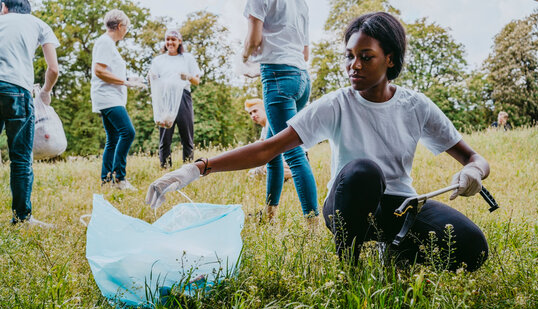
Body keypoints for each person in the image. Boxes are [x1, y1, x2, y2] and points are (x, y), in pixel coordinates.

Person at [146, 12, 490, 272]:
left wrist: (474, 170)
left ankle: (396, 251)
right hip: (348, 204)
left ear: (391, 59)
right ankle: (350, 262)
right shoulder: (336, 103)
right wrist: (197, 168)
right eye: (349, 56)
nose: (353, 65)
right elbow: (268, 148)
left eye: (365, 56)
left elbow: (476, 158)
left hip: (400, 207)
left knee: (474, 249)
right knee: (363, 172)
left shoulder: (416, 105)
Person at [241, 0, 318, 220]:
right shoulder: (301, 4)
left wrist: (244, 58)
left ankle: (312, 228)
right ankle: (269, 215)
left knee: (293, 153)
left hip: (277, 76)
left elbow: (254, 40)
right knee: (273, 151)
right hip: (301, 78)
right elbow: (304, 54)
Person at [0, 0, 59, 226]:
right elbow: (53, 69)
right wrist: (45, 92)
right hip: (18, 90)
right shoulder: (39, 24)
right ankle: (22, 218)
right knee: (21, 159)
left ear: (4, 6)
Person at [91, 9, 143, 190]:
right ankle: (120, 178)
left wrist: (129, 81)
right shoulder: (105, 42)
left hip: (109, 97)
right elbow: (99, 70)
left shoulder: (108, 44)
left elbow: (108, 70)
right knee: (128, 132)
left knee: (112, 139)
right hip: (108, 98)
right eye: (126, 27)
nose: (126, 30)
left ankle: (106, 181)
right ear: (120, 26)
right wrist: (125, 83)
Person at [149, 29, 201, 168]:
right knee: (165, 137)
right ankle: (165, 168)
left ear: (179, 41)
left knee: (187, 135)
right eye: (168, 39)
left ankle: (189, 168)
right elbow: (153, 80)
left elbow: (197, 80)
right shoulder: (159, 60)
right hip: (165, 99)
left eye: (173, 39)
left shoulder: (187, 58)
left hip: (183, 97)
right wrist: (152, 78)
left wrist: (189, 77)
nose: (170, 42)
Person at [244, 98, 292, 180]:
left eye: (255, 111)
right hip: (280, 158)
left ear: (265, 110)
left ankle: (297, 174)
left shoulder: (272, 123)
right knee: (252, 173)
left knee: (268, 168)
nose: (252, 115)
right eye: (250, 113)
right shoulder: (264, 128)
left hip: (292, 157)